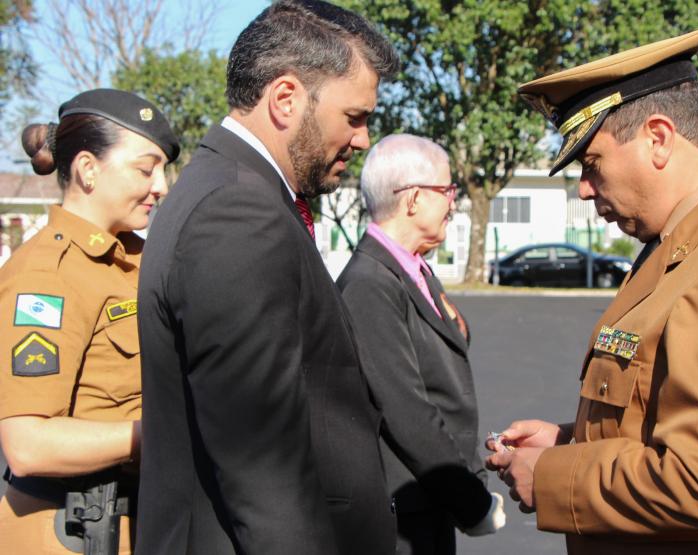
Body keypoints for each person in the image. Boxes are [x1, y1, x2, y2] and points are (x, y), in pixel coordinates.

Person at [486, 29, 698, 554]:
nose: (584, 188)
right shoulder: (686, 245)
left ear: (658, 138)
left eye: (592, 164)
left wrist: (555, 477)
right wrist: (569, 444)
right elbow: (660, 418)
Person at [135, 2, 400, 554]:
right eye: (354, 117)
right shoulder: (237, 213)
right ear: (285, 99)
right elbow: (263, 473)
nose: (363, 139)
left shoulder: (241, 194)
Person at [0, 88, 178, 554]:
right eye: (145, 169)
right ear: (88, 169)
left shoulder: (136, 259)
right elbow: (28, 444)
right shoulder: (46, 276)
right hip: (71, 530)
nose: (160, 186)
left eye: (162, 170)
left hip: (138, 519)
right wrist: (163, 431)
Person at [336, 134, 506, 554]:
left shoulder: (412, 268)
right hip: (401, 519)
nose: (454, 201)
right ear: (413, 199)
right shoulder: (369, 284)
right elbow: (406, 410)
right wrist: (472, 502)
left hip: (428, 500)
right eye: (447, 190)